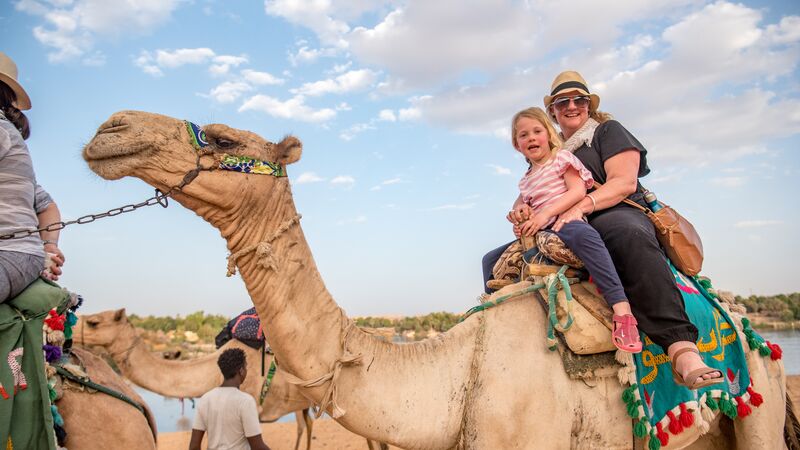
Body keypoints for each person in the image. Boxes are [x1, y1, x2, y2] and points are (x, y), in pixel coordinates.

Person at [484, 71, 722, 389]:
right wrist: (522, 212)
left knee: (629, 236)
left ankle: (681, 347)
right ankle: (500, 344)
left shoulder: (607, 132)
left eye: (579, 100)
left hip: (612, 211)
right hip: (559, 223)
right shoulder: (549, 149)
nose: (571, 106)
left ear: (588, 104)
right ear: (552, 110)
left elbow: (624, 183)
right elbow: (532, 191)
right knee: (496, 261)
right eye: (562, 101)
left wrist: (580, 206)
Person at [504, 106, 641, 353]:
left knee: (585, 236)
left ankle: (623, 311)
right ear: (517, 145)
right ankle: (498, 320)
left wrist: (546, 213)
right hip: (540, 231)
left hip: (563, 222)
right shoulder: (526, 180)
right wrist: (520, 218)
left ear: (549, 134)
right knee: (490, 260)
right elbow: (520, 206)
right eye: (523, 135)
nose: (531, 138)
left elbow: (578, 190)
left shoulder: (561, 159)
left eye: (537, 131)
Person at [0, 51, 65, 303]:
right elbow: (47, 206)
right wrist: (49, 246)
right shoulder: (10, 138)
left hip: (7, 252)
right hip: (20, 254)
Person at [189, 348, 271, 450]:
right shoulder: (245, 401)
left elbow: (194, 446)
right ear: (241, 371)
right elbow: (258, 447)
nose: (246, 371)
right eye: (246, 367)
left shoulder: (205, 399)